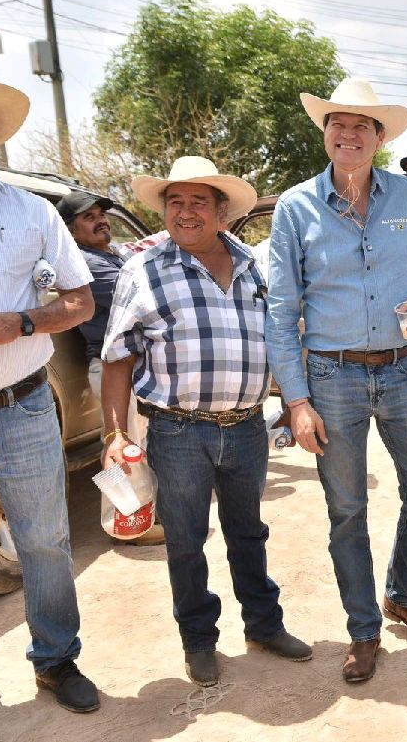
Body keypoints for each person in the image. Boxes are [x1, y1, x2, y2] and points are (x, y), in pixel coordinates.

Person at [99, 156, 312, 688]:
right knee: (186, 541)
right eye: (175, 202)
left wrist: (292, 400)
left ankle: (264, 624)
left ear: (222, 212)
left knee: (248, 533)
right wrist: (114, 434)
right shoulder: (143, 269)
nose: (185, 212)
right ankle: (198, 639)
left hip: (245, 426)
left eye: (199, 202)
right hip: (176, 430)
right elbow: (117, 357)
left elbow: (280, 338)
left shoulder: (252, 265)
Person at [266, 79, 407, 684]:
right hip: (330, 377)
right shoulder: (295, 207)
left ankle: (404, 593)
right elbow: (281, 308)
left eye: (362, 126)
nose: (349, 135)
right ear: (326, 133)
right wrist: (296, 401)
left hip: (403, 370)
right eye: (337, 124)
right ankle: (363, 628)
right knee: (348, 509)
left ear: (379, 137)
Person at [0, 76, 99, 737]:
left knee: (46, 542)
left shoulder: (31, 212)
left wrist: (20, 324)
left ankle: (56, 661)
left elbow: (80, 301)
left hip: (27, 405)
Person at [58, 190, 166, 545]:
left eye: (100, 214)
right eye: (88, 218)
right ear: (71, 231)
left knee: (138, 448)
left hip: (134, 368)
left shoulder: (114, 253)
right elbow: (147, 296)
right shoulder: (85, 263)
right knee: (123, 449)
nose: (100, 220)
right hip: (113, 370)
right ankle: (130, 529)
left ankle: (138, 519)